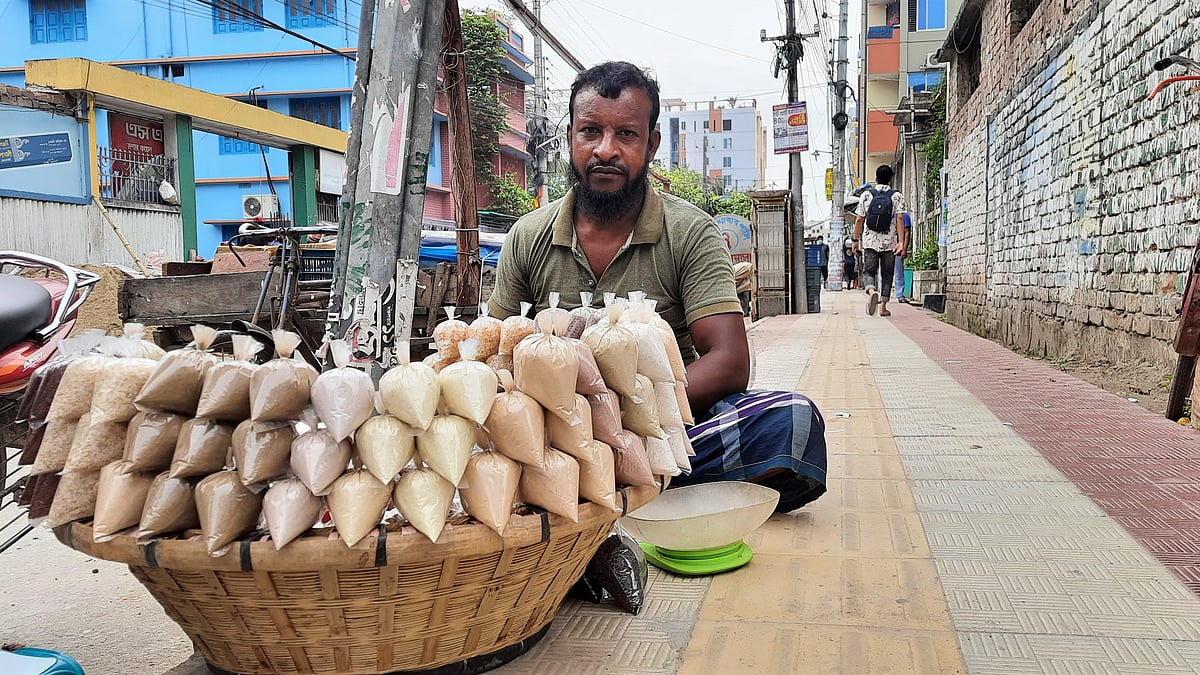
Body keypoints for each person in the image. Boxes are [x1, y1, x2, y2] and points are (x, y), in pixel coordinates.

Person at [489, 62, 826, 512]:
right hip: (554, 435)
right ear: (570, 138)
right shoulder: (528, 236)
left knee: (790, 420)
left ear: (651, 145)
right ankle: (628, 492)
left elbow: (729, 362)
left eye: (626, 135)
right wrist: (568, 423)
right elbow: (494, 350)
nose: (605, 150)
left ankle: (591, 497)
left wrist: (623, 414)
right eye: (590, 131)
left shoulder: (690, 232)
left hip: (662, 431)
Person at [853, 165, 907, 317]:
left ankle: (871, 291)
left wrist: (855, 240)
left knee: (869, 271)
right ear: (890, 179)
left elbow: (859, 220)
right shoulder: (897, 196)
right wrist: (901, 242)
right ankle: (883, 307)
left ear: (876, 178)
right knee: (887, 274)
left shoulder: (866, 195)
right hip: (890, 242)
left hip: (870, 242)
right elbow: (900, 218)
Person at [893, 212, 913, 304]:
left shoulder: (904, 216)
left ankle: (900, 294)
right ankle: (883, 295)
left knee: (899, 271)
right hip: (887, 246)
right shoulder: (887, 213)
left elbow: (907, 233)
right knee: (885, 271)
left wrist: (904, 249)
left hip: (898, 248)